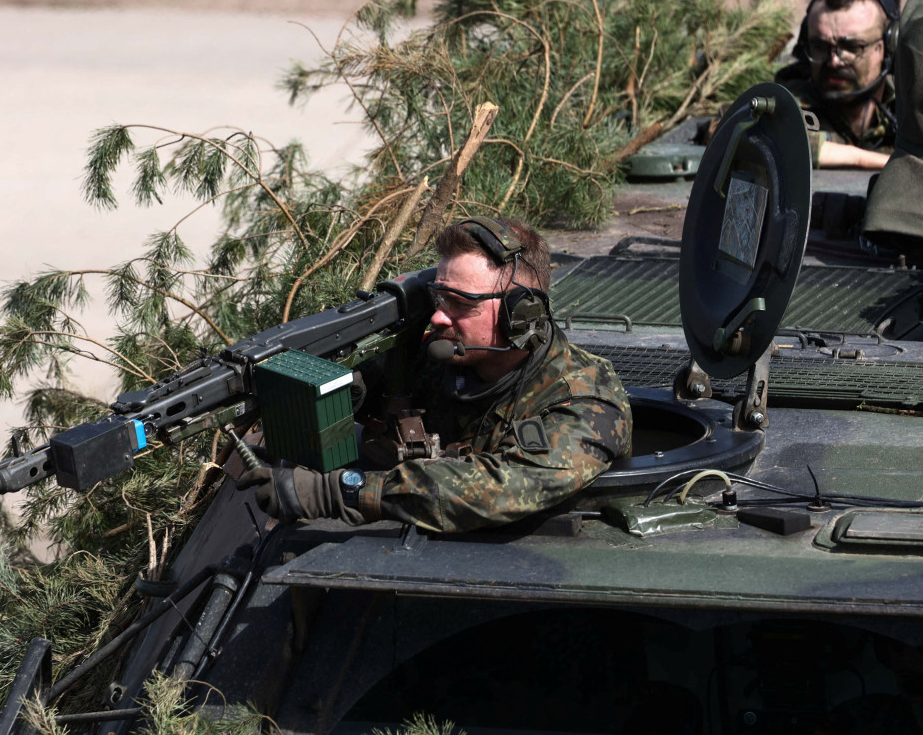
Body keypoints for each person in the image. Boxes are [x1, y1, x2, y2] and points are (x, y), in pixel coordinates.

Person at [237, 216, 632, 533]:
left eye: (461, 303)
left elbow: (501, 488)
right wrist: (341, 395)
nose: (440, 316)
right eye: (439, 298)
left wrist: (342, 493)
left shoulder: (586, 399)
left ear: (521, 315)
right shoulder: (437, 356)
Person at [775, 0, 901, 170]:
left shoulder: (911, 115)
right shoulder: (782, 103)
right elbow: (733, 133)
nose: (834, 62)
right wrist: (863, 159)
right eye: (820, 46)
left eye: (852, 47)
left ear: (888, 47)